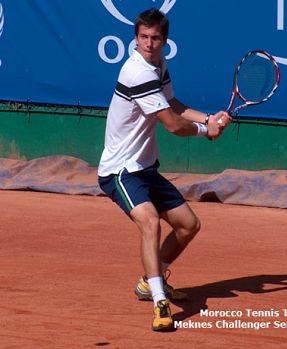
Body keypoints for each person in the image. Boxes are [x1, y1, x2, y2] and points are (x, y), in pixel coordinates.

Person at [98, 8, 232, 332]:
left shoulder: (159, 65)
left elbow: (174, 105)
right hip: (120, 170)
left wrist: (208, 118)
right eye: (142, 37)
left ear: (164, 41)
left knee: (188, 225)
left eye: (155, 38)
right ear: (136, 38)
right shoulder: (137, 72)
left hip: (143, 167)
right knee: (150, 222)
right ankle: (160, 302)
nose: (148, 43)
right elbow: (172, 125)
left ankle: (149, 280)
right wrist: (206, 132)